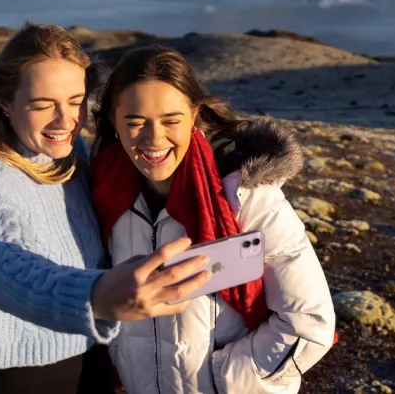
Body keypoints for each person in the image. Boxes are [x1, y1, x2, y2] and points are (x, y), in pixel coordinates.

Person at [0, 24, 211, 394]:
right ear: (5, 103)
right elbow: (6, 266)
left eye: (75, 101)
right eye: (42, 105)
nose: (65, 120)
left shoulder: (72, 156)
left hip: (96, 357)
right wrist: (95, 295)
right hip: (24, 376)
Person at [89, 45, 335, 394]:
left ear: (195, 115)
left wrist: (219, 380)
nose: (153, 138)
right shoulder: (102, 195)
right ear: (114, 121)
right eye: (135, 121)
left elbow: (309, 324)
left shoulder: (245, 198)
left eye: (170, 120)